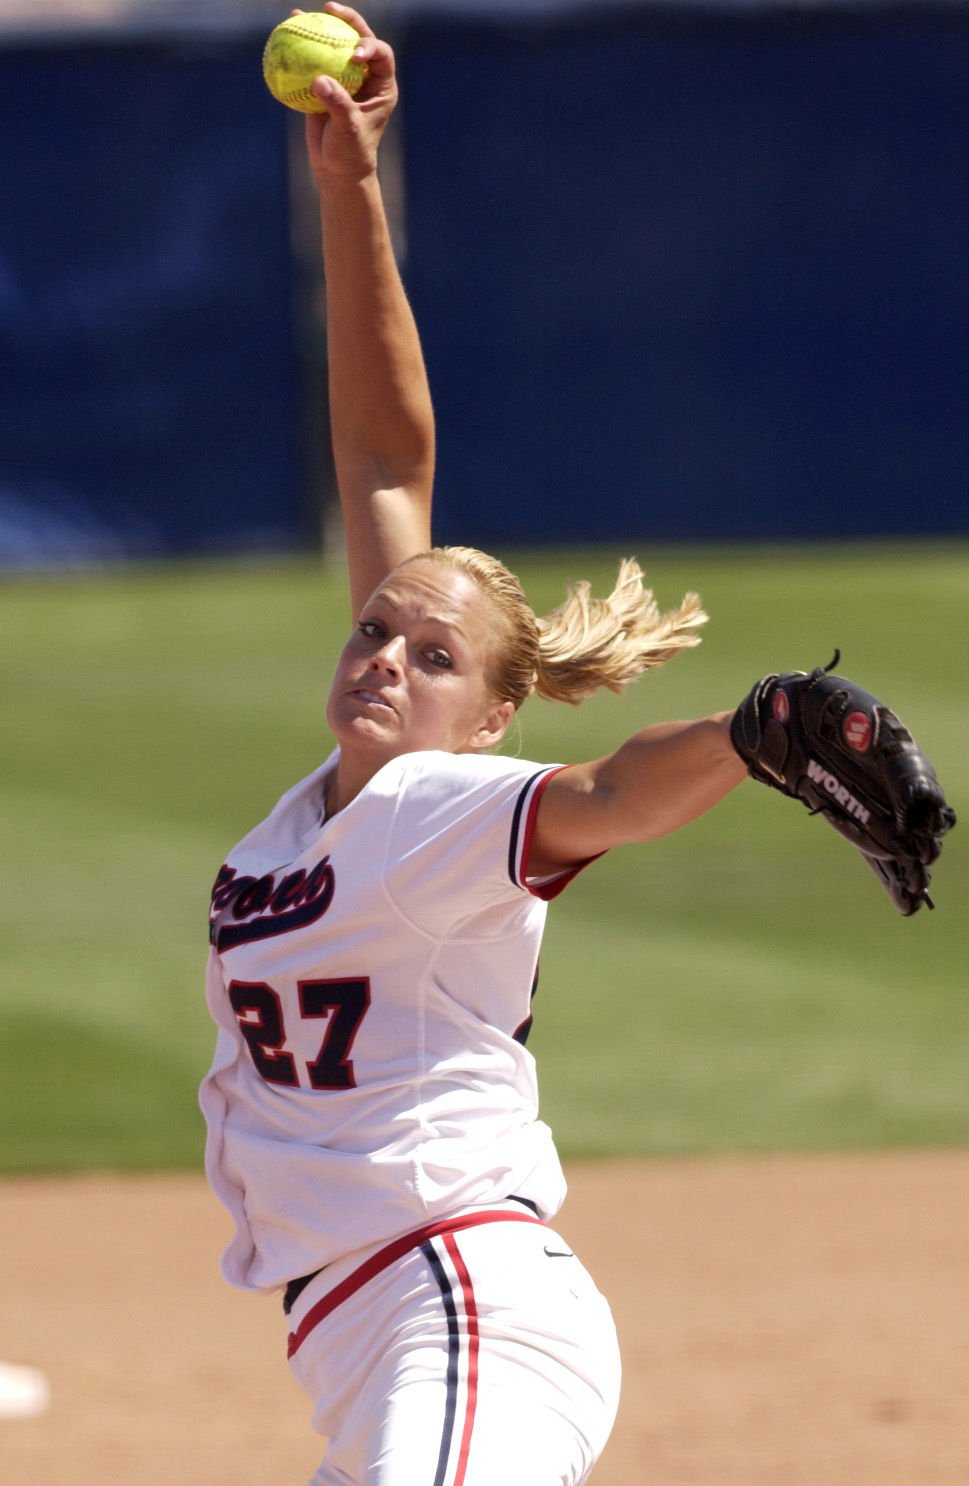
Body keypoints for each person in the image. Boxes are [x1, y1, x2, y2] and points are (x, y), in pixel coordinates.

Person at [200, 8, 747, 1482]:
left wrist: (754, 731)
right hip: (376, 1337)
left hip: (460, 1307)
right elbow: (385, 458)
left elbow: (611, 794)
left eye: (431, 655)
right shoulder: (310, 821)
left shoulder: (439, 806)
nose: (384, 652)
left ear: (491, 712)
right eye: (378, 628)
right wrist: (348, 186)